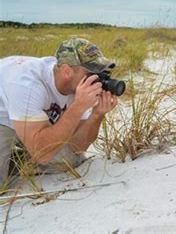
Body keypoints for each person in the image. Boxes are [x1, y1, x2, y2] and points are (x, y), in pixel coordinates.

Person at [0, 38, 119, 189]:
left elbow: (76, 147)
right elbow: (41, 154)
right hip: (2, 116)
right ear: (66, 71)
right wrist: (77, 107)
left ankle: (14, 156)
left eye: (102, 73)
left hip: (27, 118)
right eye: (92, 73)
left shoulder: (78, 85)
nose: (98, 80)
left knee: (67, 160)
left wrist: (96, 115)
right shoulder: (27, 84)